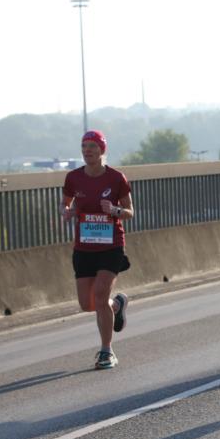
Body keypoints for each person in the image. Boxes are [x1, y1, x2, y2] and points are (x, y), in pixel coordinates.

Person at [61, 130, 133, 369]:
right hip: (84, 247)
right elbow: (65, 204)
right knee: (87, 304)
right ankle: (117, 305)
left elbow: (130, 212)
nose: (87, 151)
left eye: (92, 146)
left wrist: (114, 210)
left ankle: (106, 351)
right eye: (84, 146)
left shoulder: (116, 178)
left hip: (111, 246)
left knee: (100, 294)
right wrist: (67, 212)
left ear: (102, 150)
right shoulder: (73, 178)